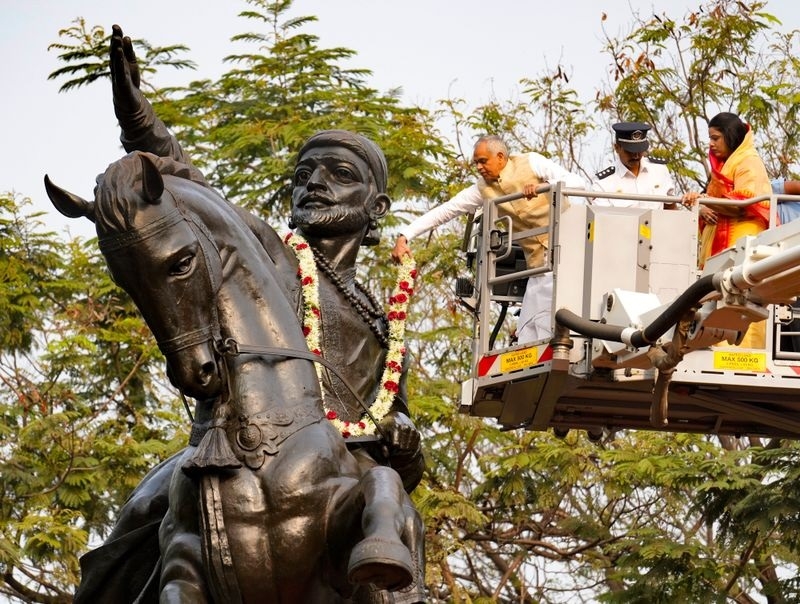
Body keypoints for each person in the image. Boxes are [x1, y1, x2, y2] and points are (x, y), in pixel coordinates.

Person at [74, 25, 426, 604]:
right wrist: (139, 120)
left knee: (394, 509)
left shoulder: (384, 319)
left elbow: (399, 423)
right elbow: (186, 184)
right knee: (142, 507)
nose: (314, 183)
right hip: (240, 445)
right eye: (304, 175)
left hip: (346, 472)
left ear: (375, 207)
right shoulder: (270, 257)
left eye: (339, 176)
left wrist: (407, 441)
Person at [391, 134, 586, 344]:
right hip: (538, 263)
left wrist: (545, 186)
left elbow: (578, 183)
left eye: (483, 161)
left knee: (555, 317)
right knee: (529, 326)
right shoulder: (482, 189)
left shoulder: (531, 162)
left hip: (568, 250)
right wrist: (405, 236)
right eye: (476, 163)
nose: (479, 167)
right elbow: (447, 210)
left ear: (500, 157)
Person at [682, 111, 772, 349]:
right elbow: (714, 205)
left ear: (730, 136)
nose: (710, 144)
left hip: (742, 246)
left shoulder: (748, 161)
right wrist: (700, 206)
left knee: (740, 300)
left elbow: (746, 205)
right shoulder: (724, 165)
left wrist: (704, 201)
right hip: (723, 252)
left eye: (715, 138)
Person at [592, 121, 677, 210]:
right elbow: (601, 218)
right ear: (617, 148)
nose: (636, 156)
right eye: (630, 151)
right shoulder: (604, 182)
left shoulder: (659, 170)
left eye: (639, 150)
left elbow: (670, 207)